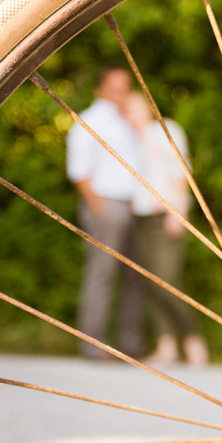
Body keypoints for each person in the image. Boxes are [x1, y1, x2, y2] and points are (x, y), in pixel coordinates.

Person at [126, 94, 209, 369]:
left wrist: (179, 212)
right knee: (151, 282)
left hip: (165, 215)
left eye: (136, 107)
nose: (132, 114)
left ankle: (193, 339)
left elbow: (179, 170)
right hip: (141, 218)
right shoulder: (128, 139)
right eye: (128, 110)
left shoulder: (165, 130)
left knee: (166, 280)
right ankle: (166, 345)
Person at [66, 67, 144, 361]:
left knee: (135, 277)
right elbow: (79, 171)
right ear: (101, 88)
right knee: (102, 274)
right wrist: (99, 209)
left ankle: (130, 344)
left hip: (133, 206)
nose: (120, 93)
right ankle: (93, 344)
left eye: (125, 87)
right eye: (115, 87)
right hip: (106, 203)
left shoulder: (127, 121)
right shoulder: (90, 120)